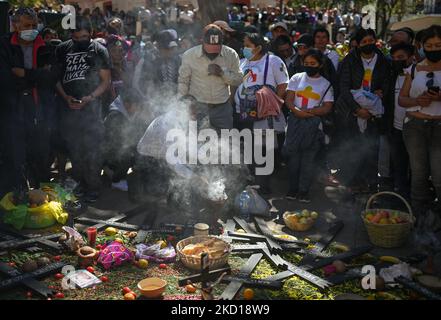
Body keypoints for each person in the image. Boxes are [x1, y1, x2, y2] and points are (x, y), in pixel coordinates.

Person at [0, 7, 58, 200]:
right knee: (14, 155)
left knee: (40, 153)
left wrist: (24, 73)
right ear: (15, 25)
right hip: (12, 109)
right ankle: (15, 197)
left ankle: (41, 196)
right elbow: (6, 79)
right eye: (26, 25)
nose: (31, 29)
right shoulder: (4, 45)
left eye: (34, 25)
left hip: (39, 108)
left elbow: (50, 78)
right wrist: (36, 75)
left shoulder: (44, 45)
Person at [55, 16, 111, 203]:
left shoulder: (99, 50)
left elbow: (105, 81)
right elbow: (55, 79)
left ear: (91, 34)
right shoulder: (62, 49)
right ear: (71, 35)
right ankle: (78, 186)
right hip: (68, 109)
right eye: (76, 38)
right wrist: (66, 97)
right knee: (75, 150)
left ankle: (93, 188)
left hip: (92, 110)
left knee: (93, 151)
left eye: (84, 37)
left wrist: (90, 97)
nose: (80, 41)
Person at [333, 28, 392, 194]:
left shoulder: (383, 61)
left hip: (374, 113)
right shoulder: (349, 61)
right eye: (364, 42)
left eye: (370, 41)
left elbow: (387, 83)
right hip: (351, 113)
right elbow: (343, 87)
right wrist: (357, 109)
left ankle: (371, 187)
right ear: (358, 44)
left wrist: (381, 94)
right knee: (353, 149)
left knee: (371, 150)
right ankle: (352, 186)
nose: (368, 44)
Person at [234, 33, 289, 194]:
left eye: (247, 45)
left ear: (258, 47)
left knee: (265, 151)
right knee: (248, 150)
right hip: (244, 114)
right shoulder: (242, 63)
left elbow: (283, 84)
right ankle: (250, 185)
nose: (244, 48)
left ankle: (263, 187)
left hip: (265, 115)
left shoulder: (273, 61)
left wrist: (274, 104)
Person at [399, 25, 441, 215]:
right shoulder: (414, 69)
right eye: (429, 45)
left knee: (439, 175)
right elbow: (402, 99)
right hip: (415, 127)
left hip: (439, 127)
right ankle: (419, 218)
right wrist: (417, 100)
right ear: (422, 46)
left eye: (438, 45)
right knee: (418, 174)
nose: (433, 49)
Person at [284, 49, 334, 203]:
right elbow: (289, 100)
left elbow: (327, 107)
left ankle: (304, 191)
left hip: (313, 125)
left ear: (320, 64)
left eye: (313, 63)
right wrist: (297, 112)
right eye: (306, 63)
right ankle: (292, 189)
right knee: (294, 159)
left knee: (308, 160)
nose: (309, 66)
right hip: (295, 122)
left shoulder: (326, 84)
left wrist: (309, 112)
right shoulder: (296, 78)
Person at [178, 24, 242, 130]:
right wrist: (185, 105)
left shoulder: (231, 54)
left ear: (222, 43)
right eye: (210, 49)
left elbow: (239, 80)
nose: (213, 54)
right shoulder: (189, 55)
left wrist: (222, 73)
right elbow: (183, 81)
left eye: (216, 48)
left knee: (225, 143)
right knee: (195, 141)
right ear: (202, 41)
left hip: (222, 108)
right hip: (198, 107)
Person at [384, 43, 415, 199]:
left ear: (411, 58)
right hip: (396, 128)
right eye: (394, 58)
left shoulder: (417, 75)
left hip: (415, 129)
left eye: (401, 57)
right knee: (399, 165)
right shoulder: (393, 75)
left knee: (417, 167)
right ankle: (400, 197)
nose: (397, 61)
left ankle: (416, 199)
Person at [103, 88, 148, 186]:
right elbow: (118, 143)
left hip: (117, 149)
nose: (138, 109)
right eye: (137, 106)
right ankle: (115, 178)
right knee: (129, 152)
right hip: (109, 153)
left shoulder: (128, 112)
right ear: (127, 104)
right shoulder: (115, 116)